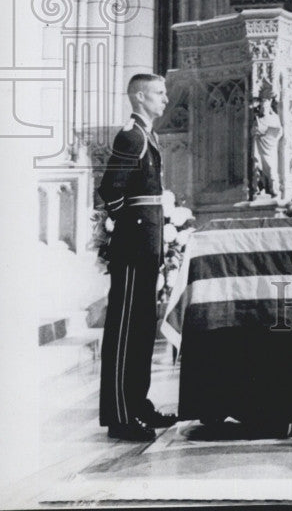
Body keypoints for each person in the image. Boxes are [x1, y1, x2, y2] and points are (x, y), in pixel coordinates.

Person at [97, 74, 178, 442]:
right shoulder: (130, 135)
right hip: (133, 248)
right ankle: (120, 415)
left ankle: (137, 404)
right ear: (141, 96)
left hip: (146, 247)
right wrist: (128, 229)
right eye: (159, 93)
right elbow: (111, 190)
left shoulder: (147, 136)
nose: (165, 99)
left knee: (143, 329)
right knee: (126, 332)